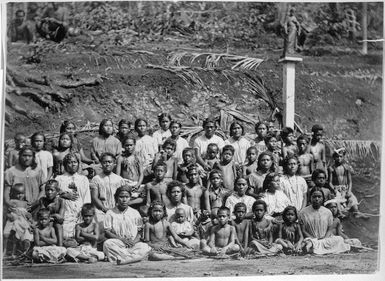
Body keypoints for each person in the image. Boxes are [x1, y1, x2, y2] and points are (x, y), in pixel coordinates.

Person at [103, 186, 151, 265]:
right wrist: (122, 240)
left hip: (133, 243)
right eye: (121, 197)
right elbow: (107, 231)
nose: (124, 200)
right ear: (116, 198)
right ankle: (133, 258)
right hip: (119, 243)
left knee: (144, 246)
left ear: (130, 198)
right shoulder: (110, 213)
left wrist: (133, 242)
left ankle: (123, 258)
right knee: (108, 243)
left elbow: (140, 231)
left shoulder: (135, 212)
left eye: (127, 197)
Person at [299, 188, 351, 255]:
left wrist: (324, 239)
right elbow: (303, 231)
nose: (317, 199)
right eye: (314, 197)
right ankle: (313, 246)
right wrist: (314, 239)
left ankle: (315, 248)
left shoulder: (328, 212)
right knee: (309, 242)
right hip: (311, 239)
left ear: (323, 198)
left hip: (324, 239)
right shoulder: (303, 212)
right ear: (310, 198)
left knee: (339, 239)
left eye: (319, 197)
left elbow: (329, 230)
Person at [55, 153, 91, 240]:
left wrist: (84, 211)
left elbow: (87, 198)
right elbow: (52, 195)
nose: (73, 164)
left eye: (75, 162)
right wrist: (63, 195)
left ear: (78, 164)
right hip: (65, 211)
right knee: (64, 233)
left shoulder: (83, 179)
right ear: (65, 164)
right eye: (70, 162)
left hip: (80, 211)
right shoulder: (59, 179)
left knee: (83, 231)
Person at [328, 148, 367, 218]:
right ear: (334, 157)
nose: (339, 158)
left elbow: (350, 181)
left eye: (340, 156)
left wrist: (349, 191)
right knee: (337, 201)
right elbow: (330, 182)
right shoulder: (331, 168)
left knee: (352, 199)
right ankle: (340, 213)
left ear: (343, 157)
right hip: (336, 188)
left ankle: (356, 212)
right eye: (337, 156)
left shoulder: (346, 167)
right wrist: (334, 190)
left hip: (345, 188)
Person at [90, 153, 126, 223]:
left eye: (110, 162)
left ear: (114, 163)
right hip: (101, 210)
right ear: (101, 164)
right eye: (104, 162)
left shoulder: (119, 179)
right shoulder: (96, 179)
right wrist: (105, 209)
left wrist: (117, 209)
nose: (107, 164)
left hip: (116, 209)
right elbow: (94, 197)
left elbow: (122, 196)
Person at [3, 184, 33, 257]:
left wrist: (29, 217)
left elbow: (27, 214)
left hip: (22, 222)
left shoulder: (26, 203)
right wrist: (9, 215)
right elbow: (6, 212)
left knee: (17, 237)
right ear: (14, 193)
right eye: (18, 194)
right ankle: (4, 250)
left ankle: (15, 252)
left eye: (22, 193)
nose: (20, 196)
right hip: (12, 220)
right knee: (6, 235)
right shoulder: (12, 201)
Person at [32, 180, 65, 246]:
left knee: (58, 226)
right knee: (42, 225)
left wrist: (52, 216)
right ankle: (46, 244)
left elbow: (61, 218)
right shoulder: (43, 200)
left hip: (55, 222)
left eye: (52, 190)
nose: (49, 192)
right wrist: (49, 210)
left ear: (57, 191)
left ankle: (60, 247)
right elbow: (42, 215)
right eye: (47, 190)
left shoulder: (61, 201)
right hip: (45, 221)